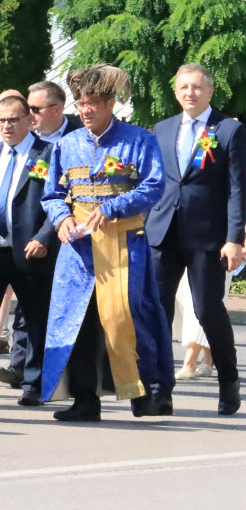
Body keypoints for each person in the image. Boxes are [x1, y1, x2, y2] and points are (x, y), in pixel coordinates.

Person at [41, 64, 174, 421]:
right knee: (79, 320)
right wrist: (62, 218)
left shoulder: (138, 140)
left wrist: (114, 207)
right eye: (82, 103)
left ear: (111, 103)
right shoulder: (66, 145)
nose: (86, 110)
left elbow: (154, 186)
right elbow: (52, 193)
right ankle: (85, 398)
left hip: (125, 243)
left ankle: (146, 392)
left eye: (94, 102)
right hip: (79, 250)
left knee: (126, 316)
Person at [145, 63, 243, 415]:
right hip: (163, 231)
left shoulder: (228, 130)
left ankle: (229, 381)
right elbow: (155, 180)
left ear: (210, 91)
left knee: (207, 309)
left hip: (207, 235)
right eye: (184, 87)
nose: (190, 93)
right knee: (157, 310)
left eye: (198, 87)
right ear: (176, 92)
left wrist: (235, 238)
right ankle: (159, 389)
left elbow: (237, 187)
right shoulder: (162, 128)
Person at [0, 95, 57, 406]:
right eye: (1, 120)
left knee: (35, 319)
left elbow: (60, 200)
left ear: (29, 120)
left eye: (13, 120)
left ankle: (34, 384)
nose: (7, 126)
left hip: (31, 251)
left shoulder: (47, 153)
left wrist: (45, 237)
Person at [27, 80, 81, 144]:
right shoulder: (22, 137)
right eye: (27, 108)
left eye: (35, 109)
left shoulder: (84, 132)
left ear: (56, 110)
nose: (29, 114)